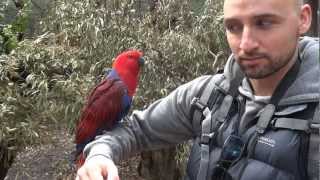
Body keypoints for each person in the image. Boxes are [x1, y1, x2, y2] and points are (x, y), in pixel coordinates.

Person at [76, 0, 319, 179]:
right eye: (233, 27)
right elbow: (136, 130)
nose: (245, 44)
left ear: (303, 19)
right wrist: (99, 156)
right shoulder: (208, 96)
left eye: (264, 23)